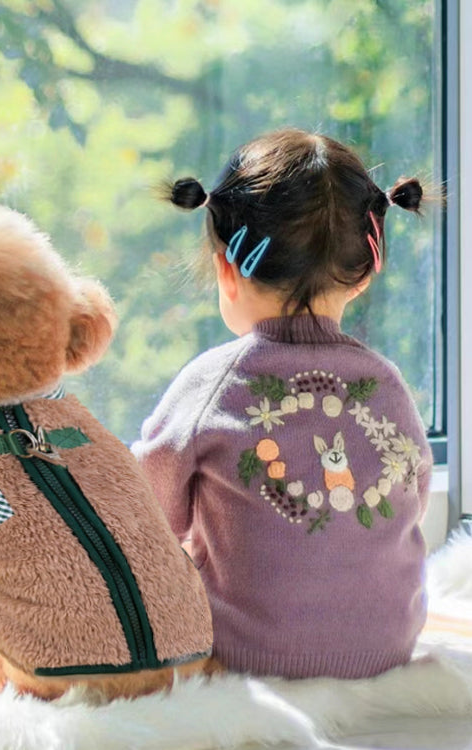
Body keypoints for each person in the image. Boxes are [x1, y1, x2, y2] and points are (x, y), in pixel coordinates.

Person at [131, 128, 433, 680]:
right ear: (365, 273)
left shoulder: (212, 383)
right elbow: (414, 495)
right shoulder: (386, 384)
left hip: (242, 657)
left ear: (227, 268)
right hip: (387, 649)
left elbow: (146, 516)